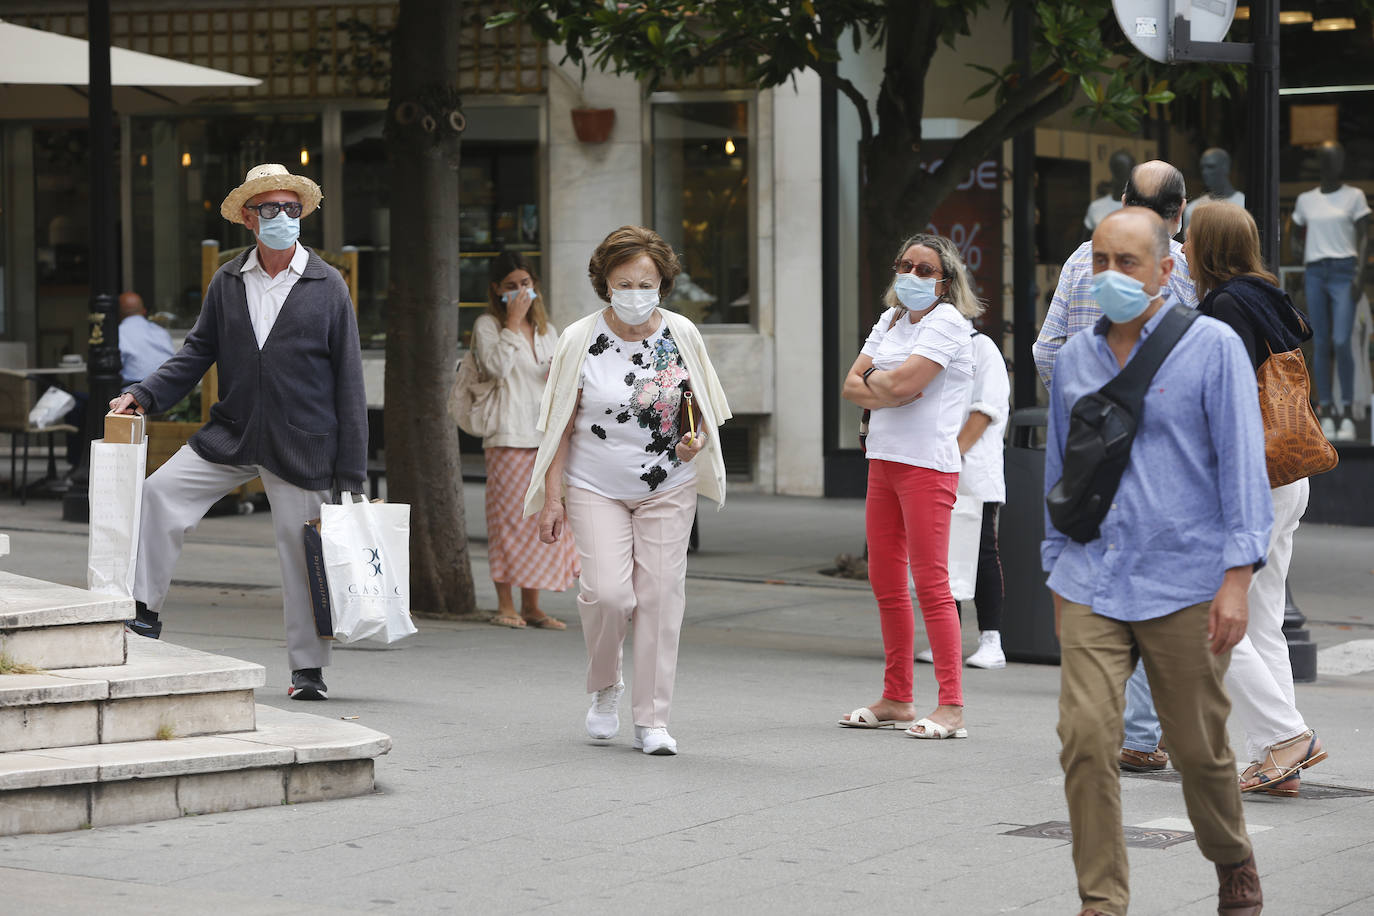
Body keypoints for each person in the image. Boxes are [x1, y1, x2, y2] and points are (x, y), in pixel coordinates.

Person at [1045, 207, 1271, 916]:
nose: (1110, 276)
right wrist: (1056, 570)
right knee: (1085, 739)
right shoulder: (1077, 358)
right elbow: (1061, 470)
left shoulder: (1211, 347)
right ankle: (1102, 902)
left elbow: (1242, 469)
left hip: (1185, 578)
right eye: (1100, 261)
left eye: (1128, 263)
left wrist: (1237, 581)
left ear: (1166, 271)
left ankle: (1232, 857)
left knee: (1199, 750)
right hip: (1091, 575)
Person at [110, 163, 366, 703]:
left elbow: (349, 381)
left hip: (303, 441)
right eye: (270, 209)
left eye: (291, 209)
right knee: (159, 493)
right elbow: (196, 352)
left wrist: (352, 473)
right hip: (233, 431)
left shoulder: (327, 283)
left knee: (303, 556)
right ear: (249, 218)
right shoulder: (228, 279)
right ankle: (143, 610)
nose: (282, 218)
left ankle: (308, 670)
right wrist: (144, 394)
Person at [523, 225, 731, 756]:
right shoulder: (579, 339)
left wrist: (695, 442)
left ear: (663, 282)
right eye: (625, 283)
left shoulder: (682, 334)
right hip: (595, 485)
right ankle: (604, 687)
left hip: (669, 485)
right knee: (609, 596)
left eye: (647, 282)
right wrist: (552, 499)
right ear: (605, 283)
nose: (636, 293)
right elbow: (558, 427)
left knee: (661, 599)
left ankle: (652, 719)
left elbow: (704, 408)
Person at [1034, 159, 1196, 774]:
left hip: (1086, 449)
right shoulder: (1174, 266)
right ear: (1180, 213)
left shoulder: (1084, 258)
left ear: (1122, 198)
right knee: (1146, 579)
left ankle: (1125, 726)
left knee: (1102, 575)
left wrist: (1084, 406)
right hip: (1153, 457)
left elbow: (1048, 348)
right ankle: (1140, 731)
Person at [1188, 201, 1329, 797]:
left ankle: (1286, 735)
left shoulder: (1224, 305)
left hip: (1250, 480)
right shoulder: (1270, 296)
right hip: (1290, 475)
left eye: (1190, 238)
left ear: (1206, 247)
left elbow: (1227, 398)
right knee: (1264, 620)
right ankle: (1275, 758)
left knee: (1212, 616)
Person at [837, 233, 981, 739]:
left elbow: (897, 386)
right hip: (884, 459)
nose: (913, 276)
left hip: (927, 466)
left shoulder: (948, 324)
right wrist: (888, 386)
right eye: (905, 266)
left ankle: (952, 707)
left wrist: (883, 384)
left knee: (932, 584)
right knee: (886, 580)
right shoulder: (892, 319)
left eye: (925, 270)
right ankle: (897, 696)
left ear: (945, 281)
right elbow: (851, 385)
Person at [471, 252, 576, 630]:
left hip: (545, 438)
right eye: (511, 286)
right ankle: (505, 604)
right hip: (507, 436)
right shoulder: (487, 325)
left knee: (539, 521)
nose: (519, 292)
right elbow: (495, 368)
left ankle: (532, 605)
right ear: (496, 290)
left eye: (525, 284)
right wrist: (512, 324)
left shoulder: (549, 330)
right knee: (507, 523)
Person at [917, 329, 1009, 669]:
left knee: (982, 551)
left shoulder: (981, 347)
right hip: (932, 466)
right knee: (940, 556)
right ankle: (946, 639)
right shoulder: (925, 345)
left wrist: (951, 458)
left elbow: (986, 410)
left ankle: (991, 640)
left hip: (970, 470)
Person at [1292, 141, 1369, 442]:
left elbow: (1364, 236)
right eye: (1326, 159)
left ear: (1342, 163)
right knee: (1320, 342)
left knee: (1342, 340)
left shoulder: (1354, 197)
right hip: (1315, 272)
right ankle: (1325, 410)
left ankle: (1347, 410)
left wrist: (1360, 274)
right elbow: (1296, 233)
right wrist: (1299, 251)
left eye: (1336, 159)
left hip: (1343, 271)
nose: (1332, 165)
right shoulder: (1306, 200)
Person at [1180, 147, 1245, 239]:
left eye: (1211, 167)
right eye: (1203, 168)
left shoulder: (1244, 204)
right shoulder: (1192, 209)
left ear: (1226, 167)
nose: (1205, 172)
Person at [117, 291, 174, 385]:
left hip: (135, 392)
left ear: (117, 314)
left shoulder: (118, 333)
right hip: (170, 389)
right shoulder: (160, 331)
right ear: (144, 311)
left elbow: (111, 370)